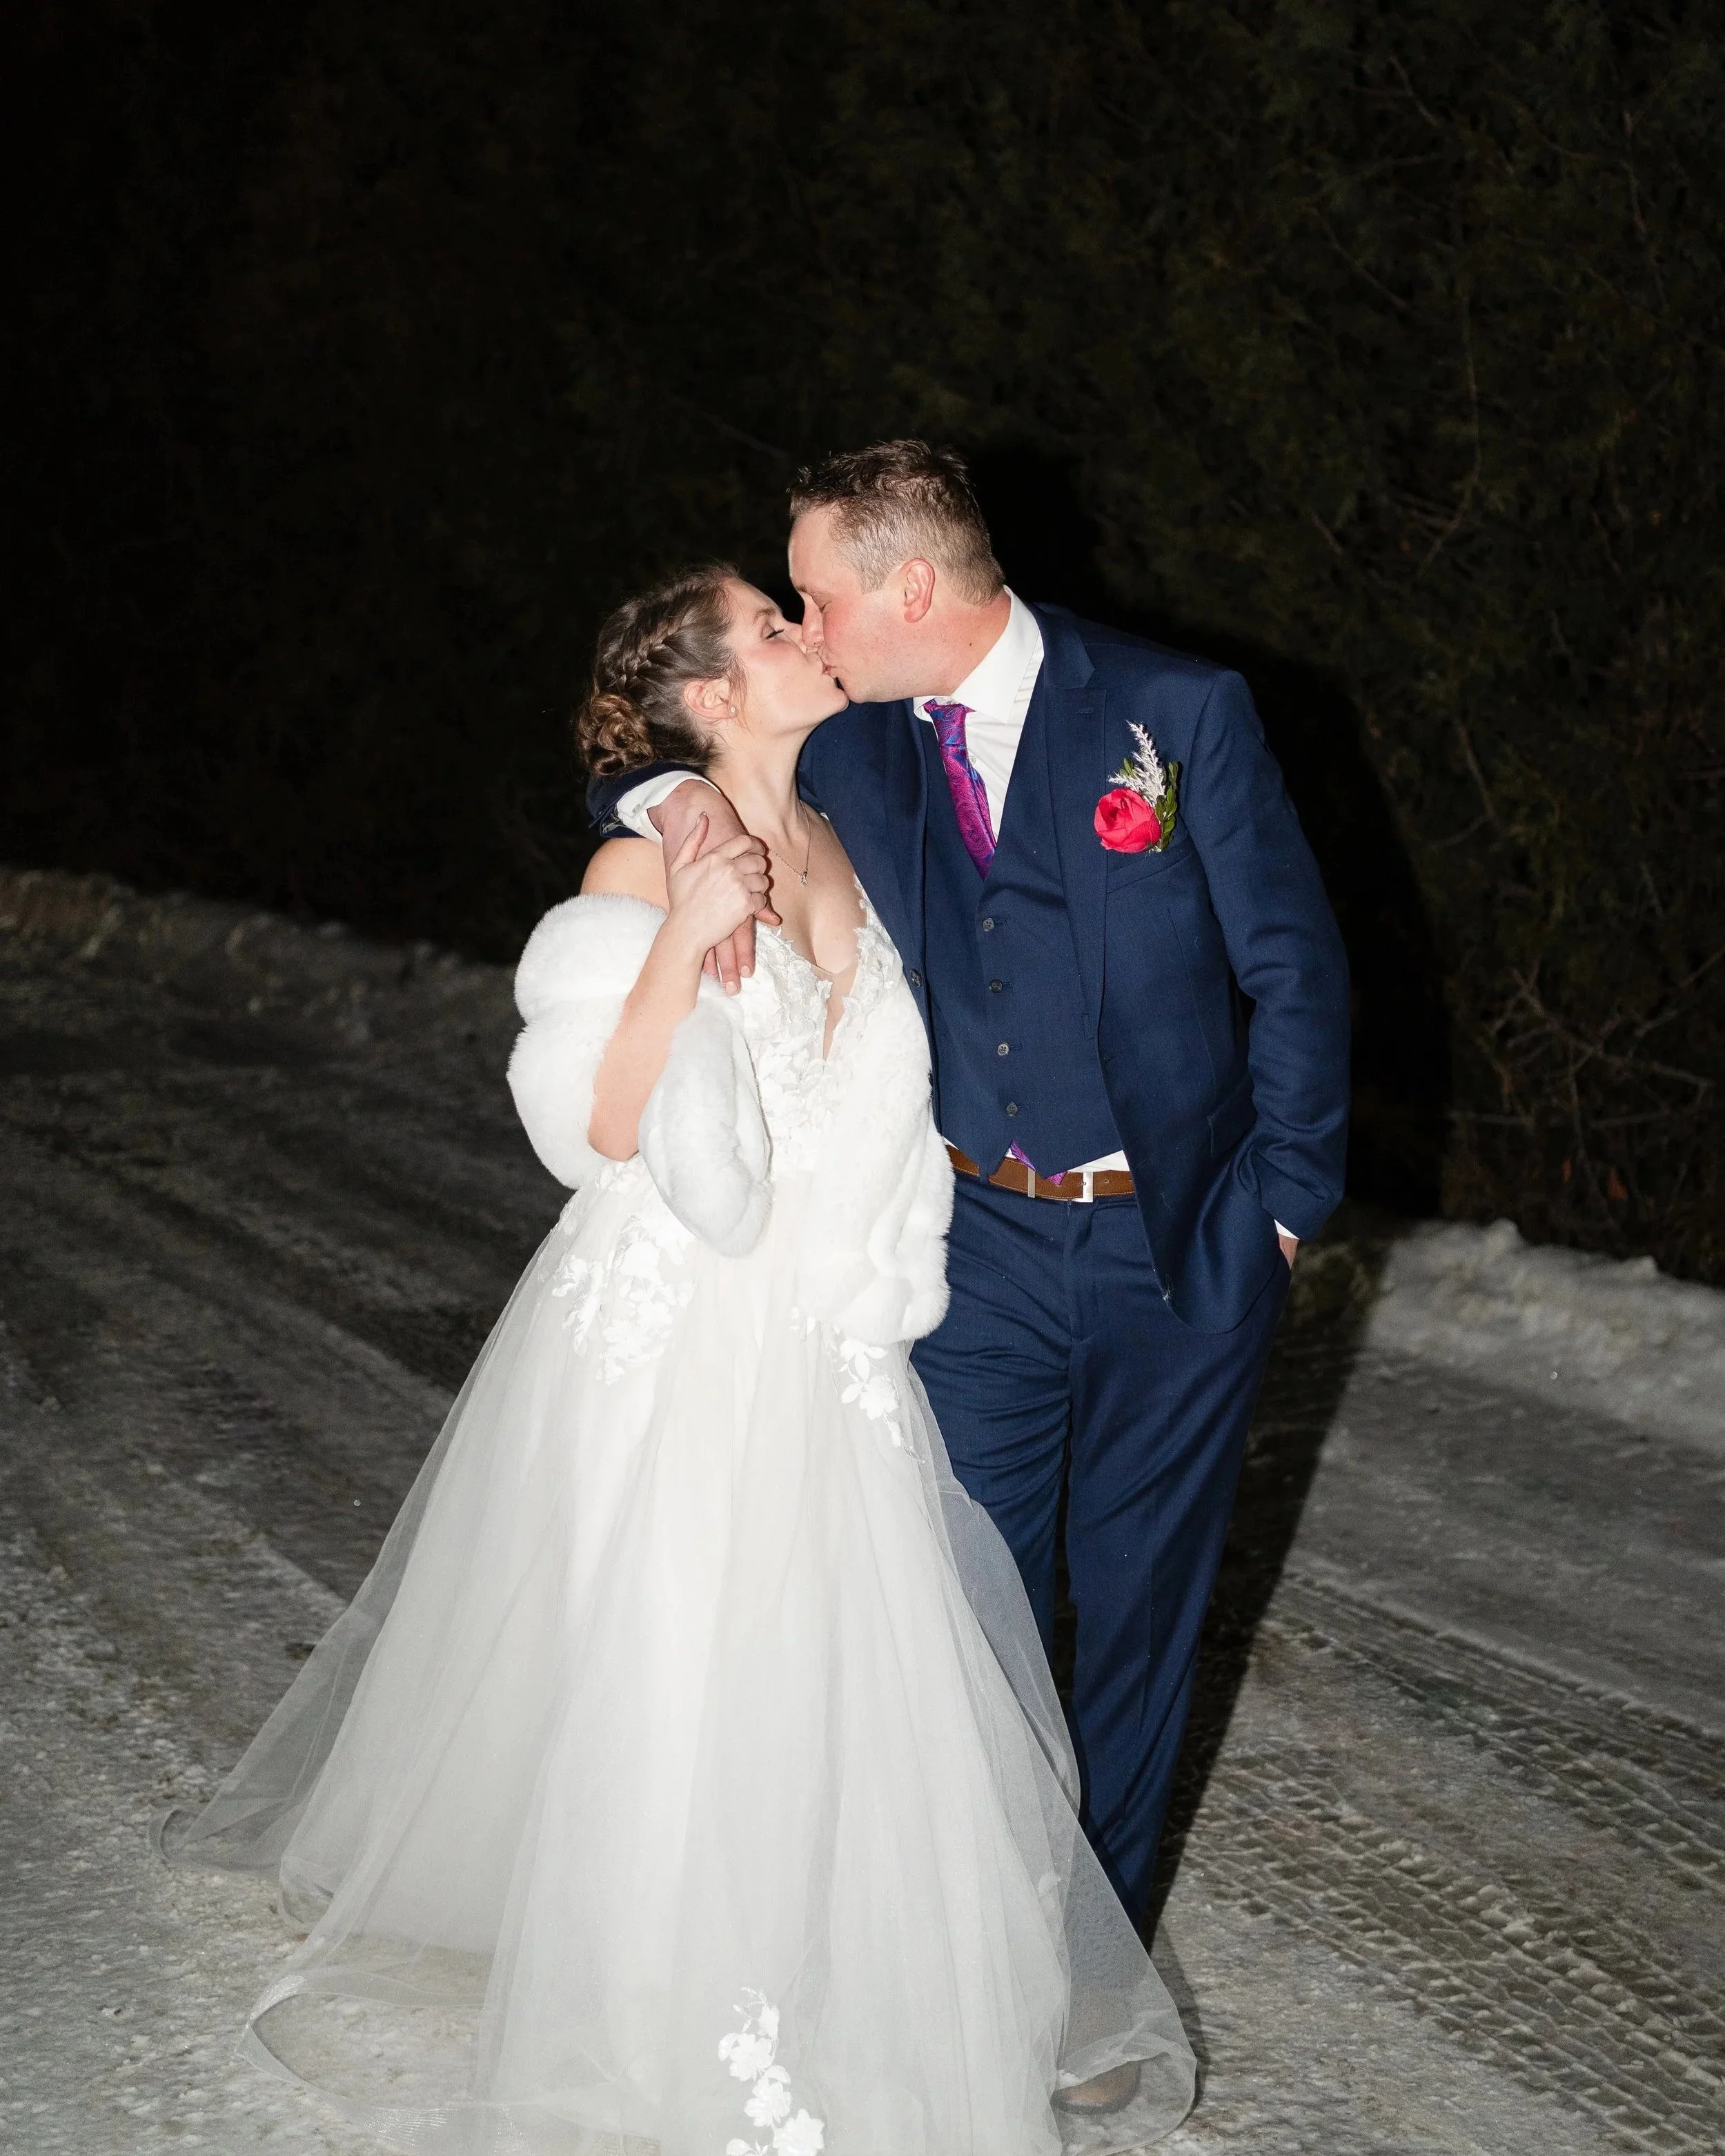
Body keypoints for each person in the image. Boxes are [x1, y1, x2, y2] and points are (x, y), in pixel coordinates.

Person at [159, 562, 1196, 2154]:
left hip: (834, 1344)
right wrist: (677, 932)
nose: (805, 632)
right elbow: (593, 1125)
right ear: (708, 694)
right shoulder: (643, 858)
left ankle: (830, 1987)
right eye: (773, 627)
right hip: (674, 1332)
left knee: (837, 1683)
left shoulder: (851, 827)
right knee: (678, 1674)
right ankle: (653, 2029)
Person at [589, 446, 1352, 2064]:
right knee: (960, 1617)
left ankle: (1072, 1991)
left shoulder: (1177, 709)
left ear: (910, 591)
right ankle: (955, 1965)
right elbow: (680, 752)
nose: (806, 620)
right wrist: (657, 795)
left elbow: (1295, 966)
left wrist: (1282, 1201)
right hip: (972, 1251)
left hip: (1176, 1247)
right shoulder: (860, 737)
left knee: (1139, 1623)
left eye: (818, 594)